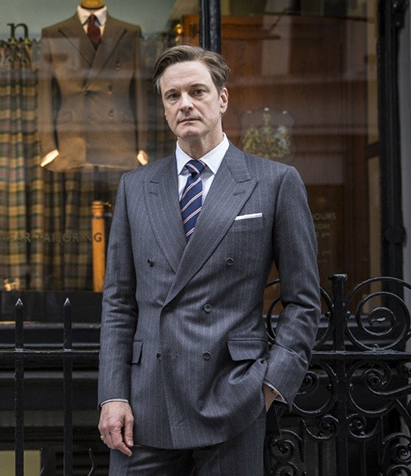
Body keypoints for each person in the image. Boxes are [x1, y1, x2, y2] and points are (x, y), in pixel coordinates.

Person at [97, 45, 321, 475]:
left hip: (232, 397)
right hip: (145, 403)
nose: (185, 104)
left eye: (197, 91)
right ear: (164, 108)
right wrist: (113, 394)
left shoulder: (274, 182)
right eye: (172, 96)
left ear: (222, 99)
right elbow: (119, 302)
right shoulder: (135, 187)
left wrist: (269, 385)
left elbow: (304, 299)